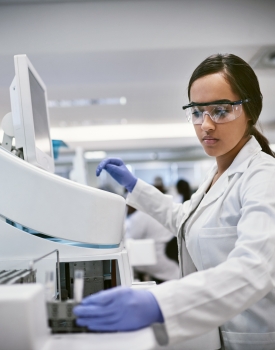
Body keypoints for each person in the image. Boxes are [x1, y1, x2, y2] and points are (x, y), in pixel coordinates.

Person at [74, 54, 275, 350]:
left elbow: (255, 268)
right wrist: (135, 185)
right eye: (197, 111)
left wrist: (159, 304)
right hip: (214, 335)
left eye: (221, 111)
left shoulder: (264, 178)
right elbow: (184, 218)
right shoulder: (217, 174)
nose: (205, 125)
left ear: (251, 111)